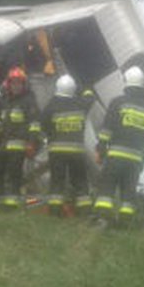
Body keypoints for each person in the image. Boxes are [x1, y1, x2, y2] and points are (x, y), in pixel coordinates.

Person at [94, 65, 144, 227]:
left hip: (116, 156)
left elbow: (106, 130)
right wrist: (142, 159)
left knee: (107, 188)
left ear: (126, 82)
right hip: (135, 159)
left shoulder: (118, 102)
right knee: (129, 193)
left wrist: (101, 149)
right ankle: (125, 223)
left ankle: (103, 219)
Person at [41, 74, 92, 216]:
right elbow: (89, 96)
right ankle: (85, 211)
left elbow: (43, 125)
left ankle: (55, 212)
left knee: (57, 181)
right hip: (77, 151)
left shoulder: (52, 104)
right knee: (80, 180)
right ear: (73, 90)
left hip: (57, 151)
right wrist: (83, 88)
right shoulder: (81, 104)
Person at [0, 68, 41, 209]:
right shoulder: (6, 101)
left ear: (24, 84)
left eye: (18, 83)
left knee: (13, 174)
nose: (16, 86)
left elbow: (34, 124)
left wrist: (32, 143)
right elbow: (3, 123)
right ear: (8, 84)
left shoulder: (29, 101)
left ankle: (11, 203)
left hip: (19, 145)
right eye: (13, 83)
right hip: (4, 145)